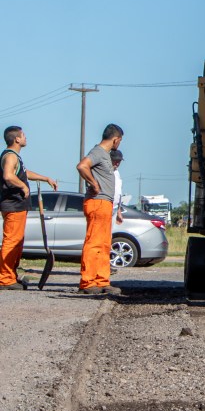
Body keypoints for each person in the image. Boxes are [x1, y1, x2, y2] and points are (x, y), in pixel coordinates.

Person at [0, 126, 58, 290]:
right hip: (13, 204)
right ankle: (4, 278)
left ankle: (11, 275)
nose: (26, 137)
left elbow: (24, 173)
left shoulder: (15, 157)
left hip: (18, 205)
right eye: (23, 135)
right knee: (11, 242)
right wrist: (23, 188)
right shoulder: (10, 156)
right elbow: (8, 175)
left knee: (17, 242)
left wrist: (45, 178)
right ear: (17, 139)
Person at [76, 123, 124, 295]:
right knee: (93, 243)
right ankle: (87, 282)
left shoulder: (105, 155)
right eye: (120, 141)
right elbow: (82, 166)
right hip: (97, 202)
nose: (119, 144)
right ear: (115, 139)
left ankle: (102, 280)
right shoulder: (97, 152)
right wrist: (93, 183)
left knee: (104, 245)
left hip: (105, 204)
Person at [110, 150, 124, 226]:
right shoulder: (105, 172)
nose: (117, 163)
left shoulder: (117, 173)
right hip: (105, 207)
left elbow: (119, 193)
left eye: (119, 161)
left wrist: (119, 211)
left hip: (114, 209)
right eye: (115, 160)